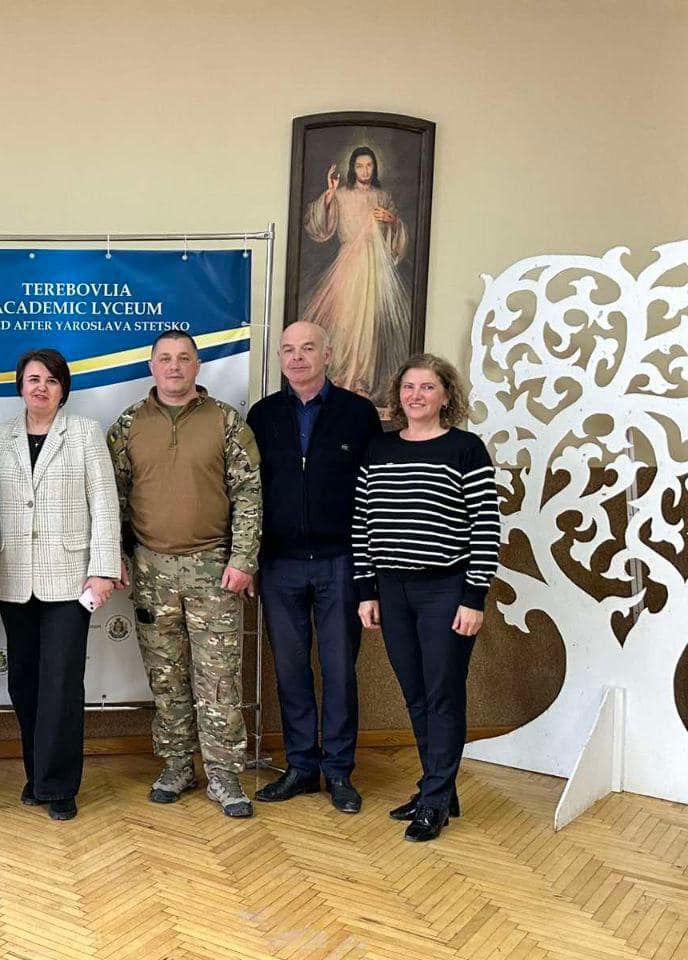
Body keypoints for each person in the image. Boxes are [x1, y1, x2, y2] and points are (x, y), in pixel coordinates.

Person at [107, 329, 261, 818]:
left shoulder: (226, 421)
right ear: (152, 366)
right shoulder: (129, 424)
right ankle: (177, 765)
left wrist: (243, 559)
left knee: (219, 679)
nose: (174, 366)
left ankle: (224, 775)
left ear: (197, 365)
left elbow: (249, 494)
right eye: (165, 359)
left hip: (214, 569)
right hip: (151, 570)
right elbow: (113, 498)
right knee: (166, 676)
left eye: (183, 358)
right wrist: (117, 557)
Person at [353, 353, 500, 842]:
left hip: (447, 589)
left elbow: (486, 529)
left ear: (446, 396)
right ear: (399, 395)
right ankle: (439, 789)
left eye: (428, 387)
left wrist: (474, 597)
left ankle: (434, 799)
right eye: (409, 387)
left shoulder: (465, 449)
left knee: (442, 693)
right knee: (415, 693)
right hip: (392, 589)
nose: (416, 396)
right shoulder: (378, 449)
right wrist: (366, 590)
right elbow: (362, 524)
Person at [247, 321, 381, 813]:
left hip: (339, 561)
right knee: (290, 669)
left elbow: (375, 492)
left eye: (307, 348)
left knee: (340, 670)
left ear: (328, 354)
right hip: (280, 563)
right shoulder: (262, 415)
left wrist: (370, 567)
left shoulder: (357, 414)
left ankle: (339, 771)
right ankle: (302, 767)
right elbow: (249, 492)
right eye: (288, 349)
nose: (297, 357)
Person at [0, 348, 121, 821]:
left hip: (70, 579)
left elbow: (105, 504)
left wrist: (103, 569)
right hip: (13, 577)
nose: (41, 387)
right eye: (33, 379)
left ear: (63, 389)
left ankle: (59, 785)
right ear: (20, 386)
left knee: (61, 682)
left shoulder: (84, 433)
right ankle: (36, 774)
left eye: (51, 380)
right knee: (24, 681)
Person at [301, 145, 411, 403]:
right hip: (348, 265)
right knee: (345, 321)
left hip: (375, 267)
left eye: (369, 165)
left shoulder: (382, 196)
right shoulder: (341, 195)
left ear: (375, 168)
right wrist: (330, 193)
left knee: (370, 323)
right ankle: (341, 378)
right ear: (353, 168)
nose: (365, 170)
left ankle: (363, 381)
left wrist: (393, 221)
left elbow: (397, 237)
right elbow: (318, 225)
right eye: (360, 166)